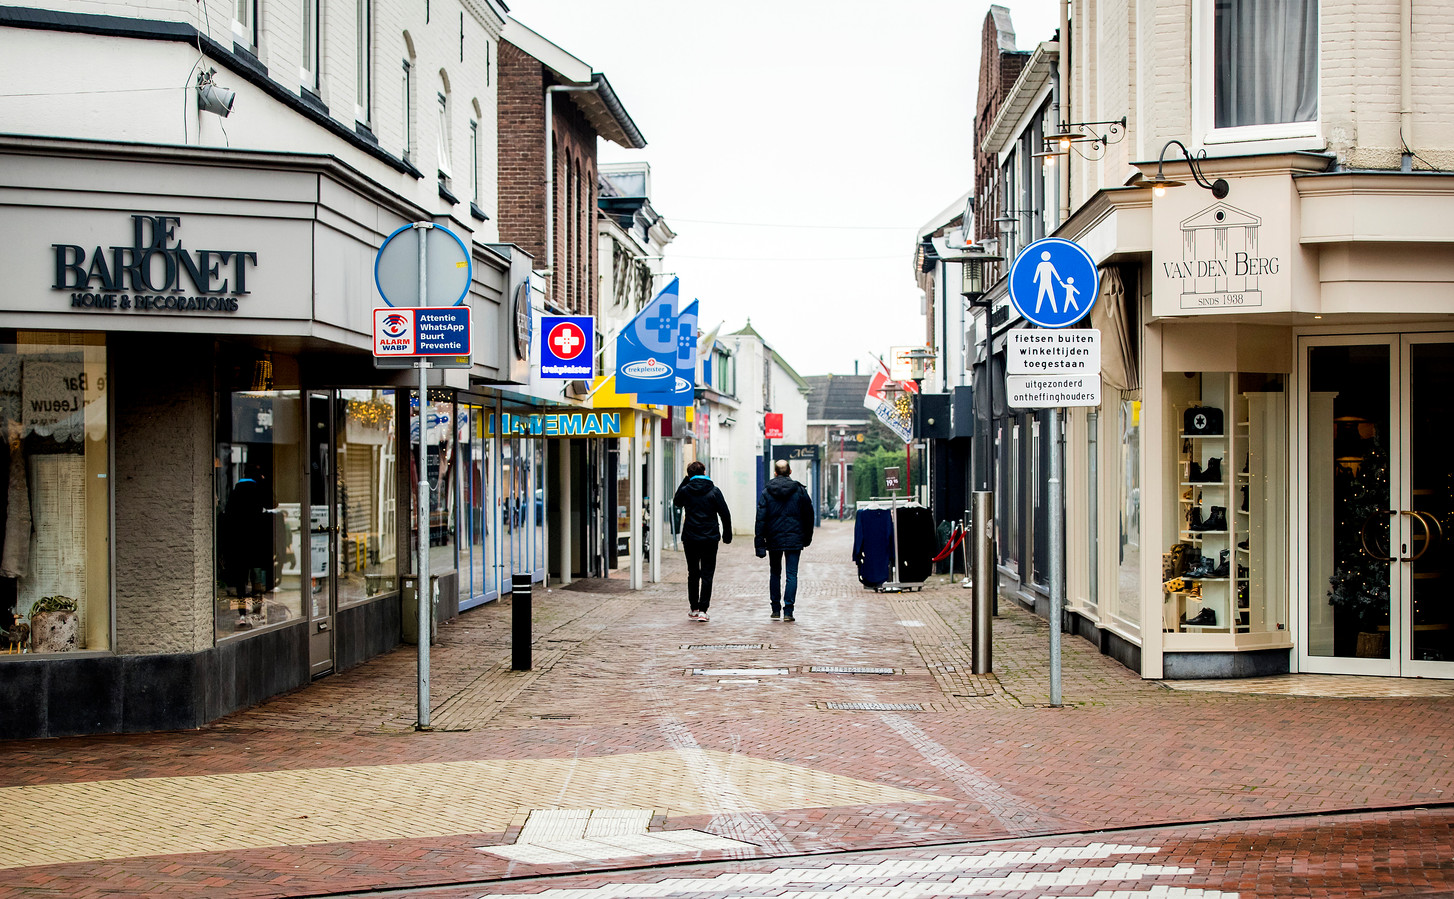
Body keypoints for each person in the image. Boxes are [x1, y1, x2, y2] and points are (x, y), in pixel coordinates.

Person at [754, 459, 815, 621]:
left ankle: (775, 609)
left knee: (775, 573)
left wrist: (759, 543)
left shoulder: (767, 492)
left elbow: (760, 518)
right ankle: (788, 611)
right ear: (790, 472)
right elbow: (809, 516)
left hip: (773, 538)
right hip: (795, 538)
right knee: (792, 574)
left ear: (775, 473)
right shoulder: (800, 491)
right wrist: (807, 537)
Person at [673, 461, 732, 622]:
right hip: (709, 538)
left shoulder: (686, 491)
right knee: (707, 574)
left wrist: (686, 481)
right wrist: (727, 534)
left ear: (689, 475)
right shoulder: (714, 491)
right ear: (704, 472)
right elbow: (725, 514)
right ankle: (703, 611)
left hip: (690, 538)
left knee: (693, 573)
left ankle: (694, 607)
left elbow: (676, 502)